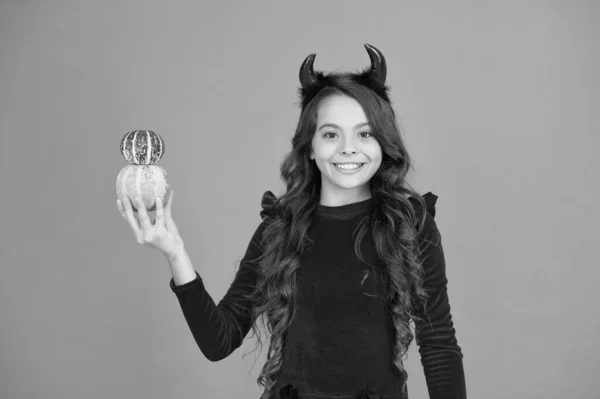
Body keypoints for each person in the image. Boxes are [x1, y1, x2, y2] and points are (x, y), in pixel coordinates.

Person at [117, 44, 466, 399]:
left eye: (365, 133)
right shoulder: (279, 227)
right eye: (331, 134)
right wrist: (175, 253)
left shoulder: (409, 224)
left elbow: (438, 344)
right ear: (311, 147)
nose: (349, 148)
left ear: (383, 143)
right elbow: (218, 342)